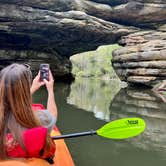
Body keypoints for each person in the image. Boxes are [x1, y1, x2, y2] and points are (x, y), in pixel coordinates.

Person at [0, 63, 57, 162]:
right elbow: (53, 116)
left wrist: (32, 89)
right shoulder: (41, 119)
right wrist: (50, 90)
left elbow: (11, 104)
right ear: (25, 88)